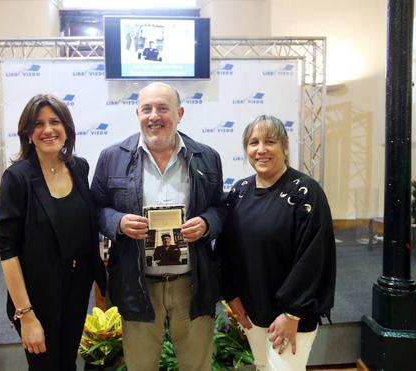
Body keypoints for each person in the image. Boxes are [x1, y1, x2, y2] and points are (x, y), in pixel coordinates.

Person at [91, 82, 225, 371]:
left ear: (179, 113)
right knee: (140, 366)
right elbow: (95, 209)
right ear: (137, 113)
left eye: (163, 108)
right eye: (147, 109)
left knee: (197, 365)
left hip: (192, 283)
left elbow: (222, 208)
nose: (154, 116)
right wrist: (118, 222)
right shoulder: (112, 158)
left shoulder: (207, 158)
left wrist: (206, 223)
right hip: (138, 284)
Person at [0, 94, 106, 370]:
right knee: (44, 366)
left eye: (54, 121)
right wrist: (26, 315)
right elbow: (8, 251)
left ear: (67, 129)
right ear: (28, 134)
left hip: (76, 287)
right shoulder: (17, 178)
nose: (47, 130)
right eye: (38, 124)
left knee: (67, 362)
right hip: (36, 295)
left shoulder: (79, 168)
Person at [216, 115, 336, 371]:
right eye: (253, 142)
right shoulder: (240, 191)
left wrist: (292, 313)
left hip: (290, 317)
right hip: (252, 310)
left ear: (284, 146)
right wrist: (231, 294)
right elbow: (227, 249)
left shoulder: (305, 192)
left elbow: (315, 258)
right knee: (262, 367)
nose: (260, 150)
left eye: (269, 141)